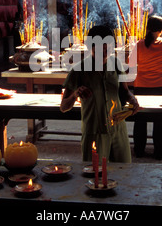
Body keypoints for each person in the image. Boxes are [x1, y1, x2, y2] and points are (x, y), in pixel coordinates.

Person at [60, 25, 140, 163]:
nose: (105, 50)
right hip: (94, 132)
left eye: (108, 45)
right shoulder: (78, 70)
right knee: (94, 176)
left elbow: (125, 92)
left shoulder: (116, 64)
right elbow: (63, 107)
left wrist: (133, 99)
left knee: (124, 173)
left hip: (118, 129)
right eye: (100, 46)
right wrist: (75, 95)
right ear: (89, 46)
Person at [128, 15, 162, 159]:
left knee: (140, 120)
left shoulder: (139, 44)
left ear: (147, 28)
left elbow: (130, 63)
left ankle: (139, 151)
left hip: (141, 86)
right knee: (160, 121)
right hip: (161, 86)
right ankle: (159, 152)